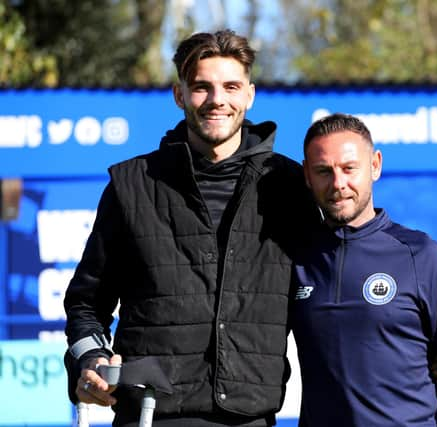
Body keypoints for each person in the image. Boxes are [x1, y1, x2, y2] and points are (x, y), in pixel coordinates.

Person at [63, 30, 315, 426]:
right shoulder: (131, 186)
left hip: (252, 416)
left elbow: (335, 297)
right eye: (202, 87)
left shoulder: (291, 188)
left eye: (231, 86)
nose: (218, 100)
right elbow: (85, 305)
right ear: (180, 95)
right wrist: (91, 361)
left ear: (249, 95)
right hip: (147, 414)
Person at [291, 113, 437, 426]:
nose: (338, 184)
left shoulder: (421, 256)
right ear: (307, 174)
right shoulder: (295, 259)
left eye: (350, 168)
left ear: (375, 165)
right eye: (324, 171)